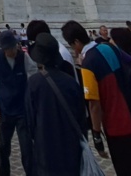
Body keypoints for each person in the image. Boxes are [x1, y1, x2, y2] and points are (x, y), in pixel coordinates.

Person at [62, 20, 131, 176]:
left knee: (125, 169)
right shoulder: (109, 47)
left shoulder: (87, 64)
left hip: (115, 125)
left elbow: (94, 104)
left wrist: (96, 134)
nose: (73, 49)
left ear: (76, 42)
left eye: (72, 45)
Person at [26, 32, 86, 176]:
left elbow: (30, 121)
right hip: (71, 148)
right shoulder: (71, 82)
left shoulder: (34, 83)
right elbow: (81, 117)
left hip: (46, 149)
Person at [0, 29, 35, 175]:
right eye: (8, 49)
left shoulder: (25, 58)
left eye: (13, 47)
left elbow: (32, 80)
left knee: (27, 149)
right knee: (3, 148)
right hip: (5, 108)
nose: (12, 51)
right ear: (3, 49)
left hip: (22, 110)